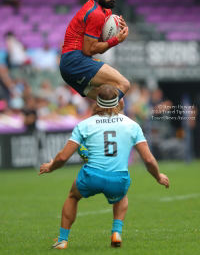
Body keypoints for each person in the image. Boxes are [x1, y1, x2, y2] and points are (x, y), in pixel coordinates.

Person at [38, 85, 170, 249]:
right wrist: (158, 176)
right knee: (122, 195)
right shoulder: (132, 125)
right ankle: (116, 233)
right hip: (118, 178)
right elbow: (149, 160)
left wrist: (51, 167)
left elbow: (63, 156)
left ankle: (62, 240)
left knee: (73, 196)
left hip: (92, 175)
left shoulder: (84, 125)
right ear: (119, 102)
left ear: (96, 101)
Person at [60, 0, 129, 160]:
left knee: (118, 103)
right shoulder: (96, 13)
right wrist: (116, 40)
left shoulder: (105, 10)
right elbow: (89, 49)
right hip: (76, 60)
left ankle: (88, 143)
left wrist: (117, 31)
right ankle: (90, 135)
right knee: (123, 83)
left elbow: (98, 40)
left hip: (69, 65)